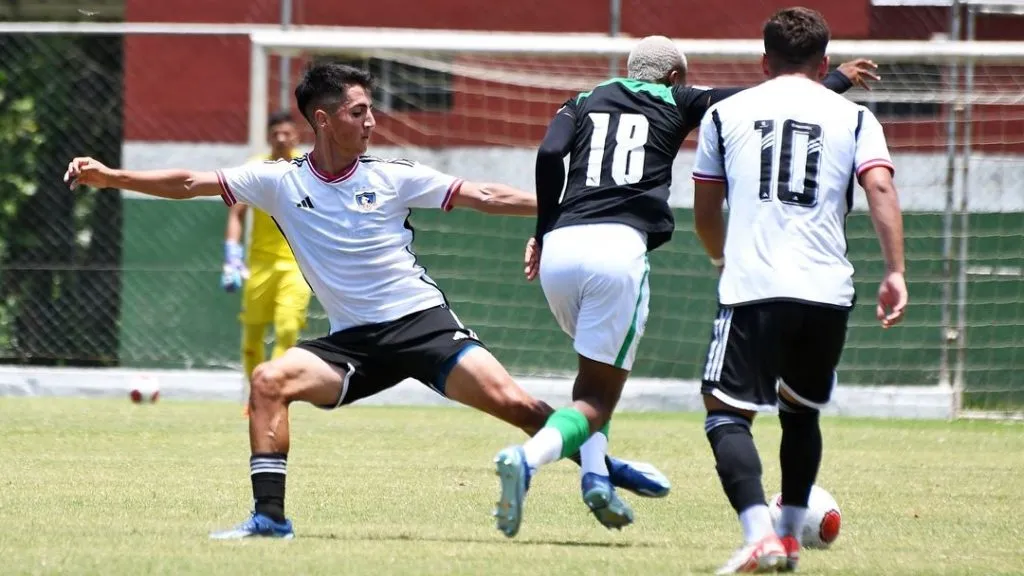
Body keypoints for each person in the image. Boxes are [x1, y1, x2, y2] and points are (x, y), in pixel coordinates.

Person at [63, 62, 669, 540]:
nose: (371, 121)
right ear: (323, 120)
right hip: (351, 343)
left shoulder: (391, 175)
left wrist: (565, 208)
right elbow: (190, 182)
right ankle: (270, 520)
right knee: (269, 380)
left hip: (422, 326)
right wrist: (112, 178)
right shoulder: (279, 181)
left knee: (517, 404)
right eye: (358, 112)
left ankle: (603, 466)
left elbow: (483, 193)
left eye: (371, 110)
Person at [492, 35, 879, 539]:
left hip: (560, 248)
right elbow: (770, 102)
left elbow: (549, 153)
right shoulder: (679, 98)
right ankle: (527, 459)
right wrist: (836, 81)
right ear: (675, 76)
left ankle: (595, 476)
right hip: (617, 248)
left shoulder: (583, 99)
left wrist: (542, 231)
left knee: (591, 378)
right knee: (597, 394)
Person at [689, 8, 906, 573]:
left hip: (753, 286)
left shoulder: (724, 113)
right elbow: (879, 185)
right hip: (827, 290)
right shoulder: (854, 117)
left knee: (725, 412)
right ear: (825, 62)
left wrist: (719, 257)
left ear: (763, 61)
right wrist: (895, 271)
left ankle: (758, 532)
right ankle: (787, 540)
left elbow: (706, 209)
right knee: (800, 411)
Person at [221, 111, 310, 416]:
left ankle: (274, 393)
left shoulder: (309, 169)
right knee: (251, 340)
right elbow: (236, 214)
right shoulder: (255, 168)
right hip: (259, 266)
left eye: (287, 133)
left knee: (287, 330)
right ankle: (256, 394)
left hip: (298, 266)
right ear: (268, 137)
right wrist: (232, 256)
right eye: (276, 134)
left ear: (297, 135)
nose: (282, 139)